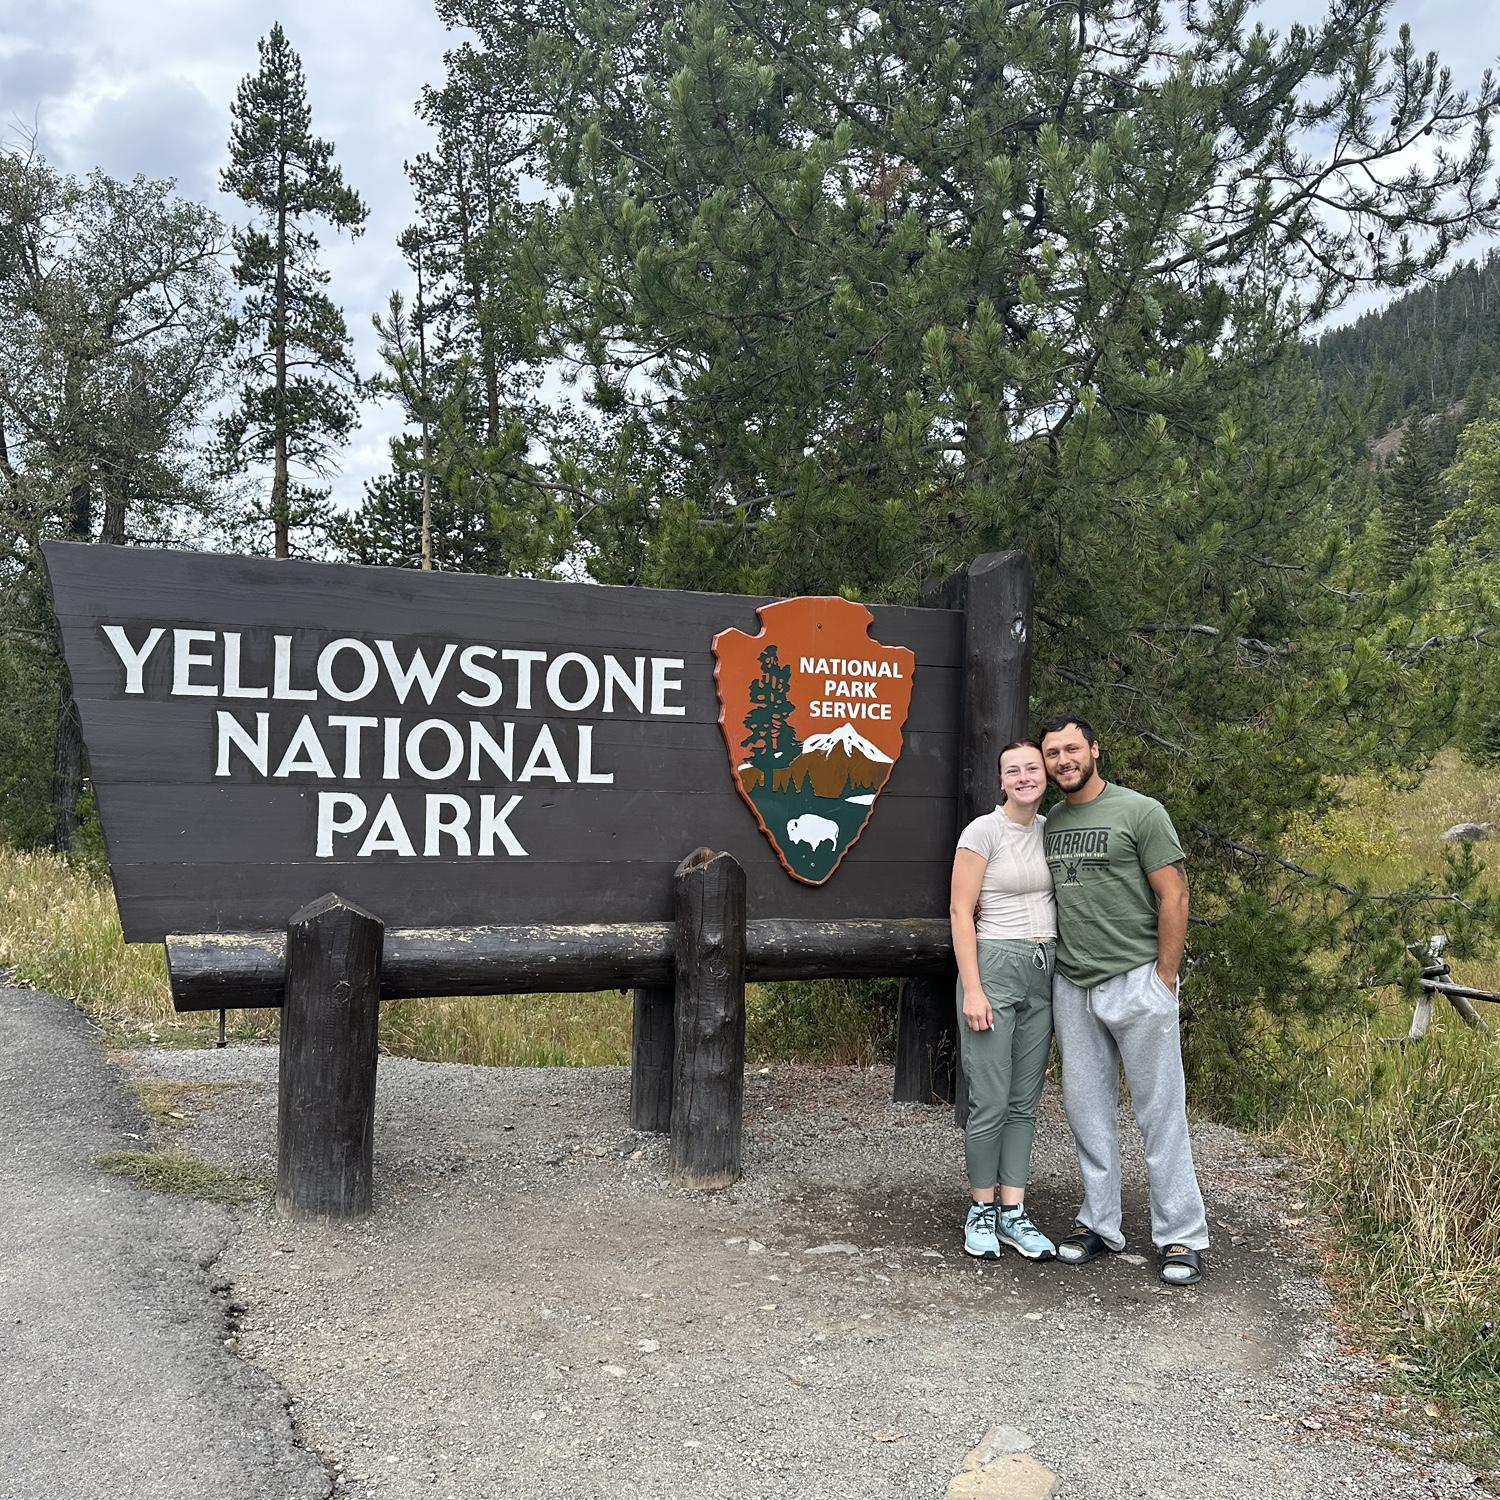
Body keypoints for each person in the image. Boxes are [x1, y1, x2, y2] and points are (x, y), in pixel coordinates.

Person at [1037, 714, 1209, 1286]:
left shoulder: (1141, 812)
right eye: (1053, 753)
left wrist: (1165, 976)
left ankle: (1180, 1235)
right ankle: (1099, 1224)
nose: (1063, 760)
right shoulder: (1051, 821)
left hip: (1138, 978)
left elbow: (1174, 894)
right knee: (1087, 1112)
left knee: (1161, 1112)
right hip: (1074, 982)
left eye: (1071, 749)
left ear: (1094, 750)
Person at [949, 740, 1058, 1262]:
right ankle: (981, 1209)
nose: (1023, 777)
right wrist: (973, 987)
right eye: (1012, 771)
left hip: (1044, 970)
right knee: (989, 1099)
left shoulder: (1050, 830)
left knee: (1023, 1102)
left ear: (1045, 775)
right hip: (993, 967)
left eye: (1031, 768)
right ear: (1001, 781)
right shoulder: (982, 832)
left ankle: (1014, 1211)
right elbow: (959, 911)